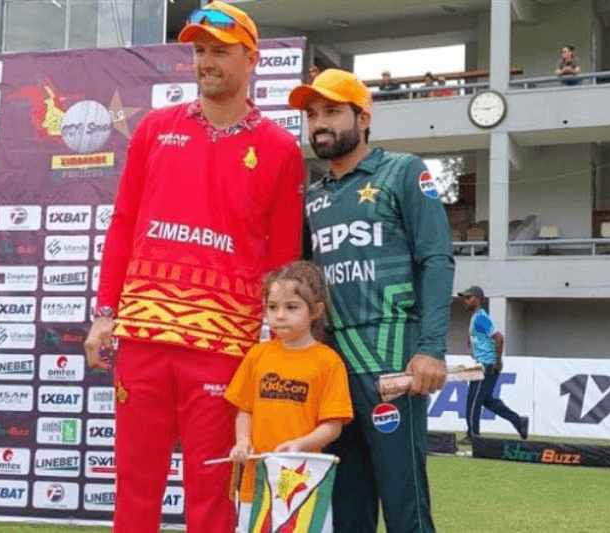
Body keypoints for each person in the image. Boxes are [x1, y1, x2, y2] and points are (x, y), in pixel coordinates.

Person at [83, 2, 305, 532]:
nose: (206, 62)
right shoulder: (156, 129)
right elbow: (123, 224)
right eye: (200, 51)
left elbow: (282, 260)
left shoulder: (279, 148)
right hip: (142, 339)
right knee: (135, 488)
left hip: (223, 347)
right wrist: (103, 312)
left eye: (220, 52)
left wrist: (272, 342)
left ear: (251, 59)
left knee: (211, 497)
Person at [289, 69, 455, 533]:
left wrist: (431, 348)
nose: (319, 123)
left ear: (363, 117)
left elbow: (437, 260)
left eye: (332, 112)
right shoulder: (313, 197)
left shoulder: (403, 171)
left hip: (392, 360)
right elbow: (303, 285)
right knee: (347, 507)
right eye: (312, 114)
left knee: (406, 505)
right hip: (333, 367)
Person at [225, 261, 353, 532]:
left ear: (315, 310)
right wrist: (243, 441)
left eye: (291, 307)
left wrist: (299, 445)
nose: (280, 316)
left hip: (303, 486)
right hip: (255, 487)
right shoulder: (257, 356)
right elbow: (244, 410)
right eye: (273, 307)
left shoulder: (328, 362)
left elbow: (333, 426)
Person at [458, 285, 529, 445]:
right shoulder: (476, 317)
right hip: (486, 363)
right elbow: (477, 337)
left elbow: (499, 338)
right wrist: (469, 346)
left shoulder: (481, 317)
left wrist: (498, 360)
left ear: (479, 299)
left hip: (486, 364)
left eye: (469, 298)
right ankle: (518, 421)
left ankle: (473, 435)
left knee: (473, 401)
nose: (465, 301)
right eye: (465, 298)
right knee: (487, 400)